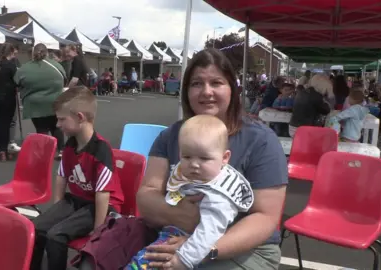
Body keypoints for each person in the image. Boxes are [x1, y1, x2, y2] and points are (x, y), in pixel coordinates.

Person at [79, 48, 287, 270]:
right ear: (186, 91)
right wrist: (183, 216)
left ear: (232, 89)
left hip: (244, 249)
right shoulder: (170, 136)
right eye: (196, 84)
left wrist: (203, 249)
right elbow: (147, 197)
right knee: (95, 260)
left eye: (216, 83)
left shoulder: (261, 140)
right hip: (174, 233)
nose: (206, 92)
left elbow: (265, 218)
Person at [127, 115, 254, 269]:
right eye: (186, 156)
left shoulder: (218, 195)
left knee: (141, 264)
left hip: (192, 246)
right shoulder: (202, 176)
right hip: (173, 232)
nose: (194, 164)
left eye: (204, 158)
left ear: (225, 158)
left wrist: (184, 260)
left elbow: (209, 233)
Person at [29, 87, 124, 270]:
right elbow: (61, 176)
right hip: (78, 201)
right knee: (36, 228)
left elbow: (102, 194)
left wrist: (98, 231)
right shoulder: (70, 145)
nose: (57, 124)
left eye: (62, 119)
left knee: (56, 236)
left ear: (80, 117)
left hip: (100, 206)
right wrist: (56, 211)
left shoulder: (101, 150)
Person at [14, 43, 67, 158]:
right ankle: (61, 150)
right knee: (56, 127)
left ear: (33, 53)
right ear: (47, 53)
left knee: (41, 128)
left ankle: (45, 153)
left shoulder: (25, 68)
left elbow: (17, 83)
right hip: (55, 102)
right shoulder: (57, 66)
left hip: (34, 104)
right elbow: (65, 79)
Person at [0, 43, 19, 161]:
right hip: (8, 97)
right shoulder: (11, 65)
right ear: (11, 52)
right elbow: (17, 81)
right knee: (6, 124)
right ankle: (4, 150)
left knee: (0, 123)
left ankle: (1, 150)